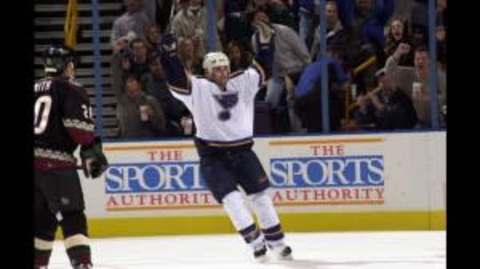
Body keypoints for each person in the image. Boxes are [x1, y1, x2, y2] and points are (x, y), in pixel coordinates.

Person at [159, 21, 292, 261]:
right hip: (213, 156)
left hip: (244, 152)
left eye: (224, 67)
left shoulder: (242, 81)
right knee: (232, 200)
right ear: (207, 71)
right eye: (216, 69)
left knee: (261, 197)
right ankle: (255, 242)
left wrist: (265, 41)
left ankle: (278, 242)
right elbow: (177, 79)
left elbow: (263, 67)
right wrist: (169, 55)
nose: (221, 72)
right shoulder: (197, 87)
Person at [34, 45, 108, 269]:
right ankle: (82, 263)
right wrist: (90, 146)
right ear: (67, 66)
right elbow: (81, 131)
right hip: (56, 166)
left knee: (42, 222)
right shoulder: (71, 89)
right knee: (72, 215)